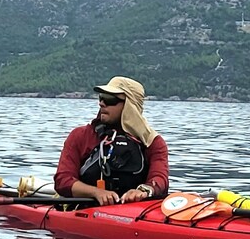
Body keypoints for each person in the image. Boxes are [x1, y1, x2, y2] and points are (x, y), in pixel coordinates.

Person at [54, 76, 169, 206]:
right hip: (83, 209)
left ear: (130, 106)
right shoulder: (80, 136)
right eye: (101, 97)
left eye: (110, 99)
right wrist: (96, 192)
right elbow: (62, 181)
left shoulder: (153, 143)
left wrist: (144, 191)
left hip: (135, 212)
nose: (102, 103)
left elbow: (160, 179)